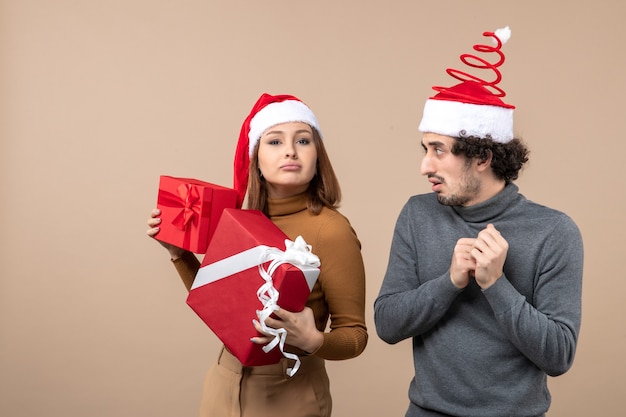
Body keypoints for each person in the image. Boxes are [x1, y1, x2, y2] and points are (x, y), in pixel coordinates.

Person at [374, 27, 583, 417]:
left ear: (483, 157)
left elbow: (559, 356)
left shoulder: (555, 232)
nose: (424, 166)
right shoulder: (417, 214)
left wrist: (495, 284)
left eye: (439, 151)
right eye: (425, 149)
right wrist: (450, 282)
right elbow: (387, 324)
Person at [147, 93, 368, 417]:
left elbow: (355, 335)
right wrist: (179, 253)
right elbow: (222, 307)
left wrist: (313, 340)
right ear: (256, 159)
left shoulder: (331, 231)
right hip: (222, 384)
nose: (291, 150)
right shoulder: (243, 218)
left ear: (318, 156)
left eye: (303, 140)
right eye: (275, 141)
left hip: (288, 393)